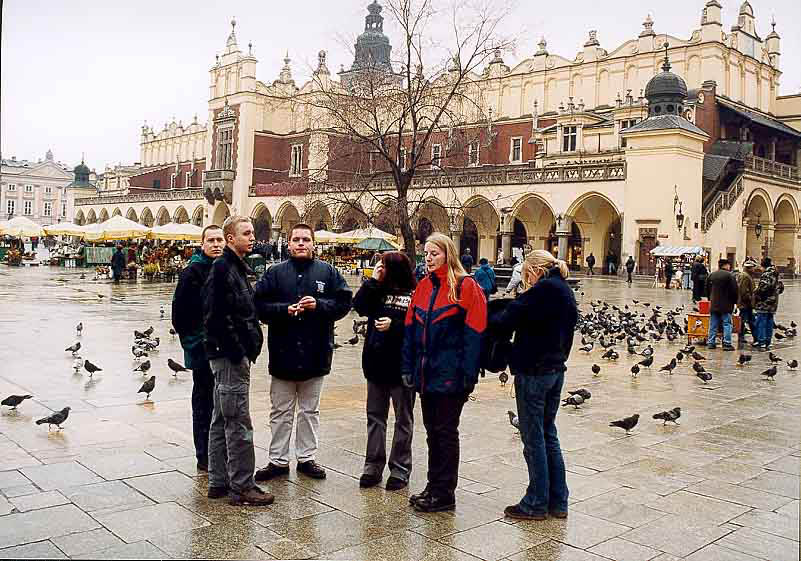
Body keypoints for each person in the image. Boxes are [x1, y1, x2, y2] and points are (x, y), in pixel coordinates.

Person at [253, 224, 352, 482]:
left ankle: (306, 458)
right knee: (280, 411)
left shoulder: (328, 272)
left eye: (305, 239)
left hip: (316, 352)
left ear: (313, 244)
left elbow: (344, 302)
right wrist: (284, 310)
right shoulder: (275, 273)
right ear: (288, 243)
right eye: (296, 239)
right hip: (283, 352)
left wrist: (319, 305)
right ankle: (278, 460)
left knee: (310, 410)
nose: (300, 243)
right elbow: (258, 305)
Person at [401, 232, 487, 513]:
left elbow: (474, 334)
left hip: (451, 375)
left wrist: (468, 375)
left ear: (448, 255)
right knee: (432, 433)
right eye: (426, 254)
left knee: (446, 432)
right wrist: (407, 367)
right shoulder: (423, 286)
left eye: (434, 253)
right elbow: (410, 331)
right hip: (426, 374)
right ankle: (433, 486)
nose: (428, 258)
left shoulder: (466, 286)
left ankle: (444, 492)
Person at [492, 250, 577, 521]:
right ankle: (558, 501)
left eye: (526, 273)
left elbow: (507, 318)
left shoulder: (542, 290)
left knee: (533, 438)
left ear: (535, 270)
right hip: (555, 370)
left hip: (534, 372)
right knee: (548, 434)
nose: (524, 278)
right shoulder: (564, 289)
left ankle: (536, 502)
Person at [202, 216, 274, 506]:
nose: (252, 237)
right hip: (229, 358)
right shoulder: (223, 269)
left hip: (226, 356)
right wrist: (238, 352)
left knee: (221, 419)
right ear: (230, 239)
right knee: (238, 422)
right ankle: (243, 486)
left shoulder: (233, 267)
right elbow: (217, 317)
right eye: (246, 233)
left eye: (252, 233)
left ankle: (218, 482)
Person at [352, 251, 417, 490]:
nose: (379, 267)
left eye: (383, 265)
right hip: (376, 364)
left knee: (403, 419)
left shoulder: (414, 293)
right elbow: (358, 306)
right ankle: (373, 466)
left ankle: (400, 469)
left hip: (402, 366)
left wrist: (395, 325)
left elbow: (420, 327)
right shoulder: (377, 290)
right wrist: (373, 281)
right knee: (375, 417)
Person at [173, 225, 225, 472]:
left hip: (225, 351)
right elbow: (180, 317)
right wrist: (198, 343)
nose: (216, 244)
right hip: (204, 352)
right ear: (202, 244)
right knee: (204, 403)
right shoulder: (192, 272)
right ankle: (204, 455)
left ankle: (219, 453)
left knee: (222, 405)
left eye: (220, 240)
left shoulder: (228, 268)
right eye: (211, 240)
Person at [705, 258, 738, 351]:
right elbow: (734, 290)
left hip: (714, 304)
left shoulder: (712, 275)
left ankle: (711, 342)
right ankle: (727, 343)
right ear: (726, 265)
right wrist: (735, 302)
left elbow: (707, 289)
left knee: (713, 324)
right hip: (726, 305)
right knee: (727, 323)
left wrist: (710, 299)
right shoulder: (729, 276)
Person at [753, 257, 784, 351]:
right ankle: (768, 342)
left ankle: (762, 341)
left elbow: (763, 288)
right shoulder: (776, 273)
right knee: (769, 322)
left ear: (763, 266)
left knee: (761, 322)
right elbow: (779, 287)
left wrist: (755, 292)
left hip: (764, 302)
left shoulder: (766, 274)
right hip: (773, 302)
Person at [736, 259, 758, 349]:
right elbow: (743, 291)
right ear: (749, 268)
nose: (754, 269)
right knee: (744, 320)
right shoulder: (745, 276)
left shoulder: (747, 275)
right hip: (745, 304)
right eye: (753, 267)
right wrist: (750, 299)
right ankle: (742, 337)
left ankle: (755, 337)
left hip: (746, 303)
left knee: (750, 320)